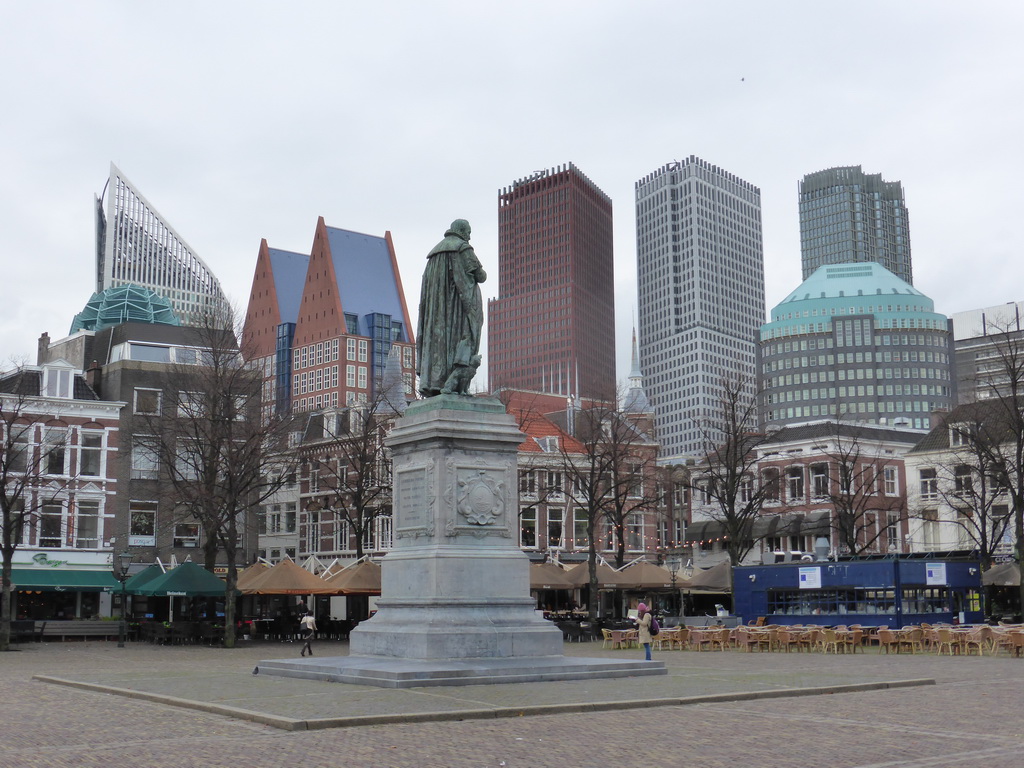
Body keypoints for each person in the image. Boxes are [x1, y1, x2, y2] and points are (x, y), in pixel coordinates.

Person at [416, 219, 487, 397]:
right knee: (461, 340)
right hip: (457, 309)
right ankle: (454, 385)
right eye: (468, 232)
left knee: (438, 345)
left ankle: (436, 382)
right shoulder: (463, 248)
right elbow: (481, 275)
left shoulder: (433, 256)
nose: (470, 236)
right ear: (461, 231)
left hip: (436, 314)